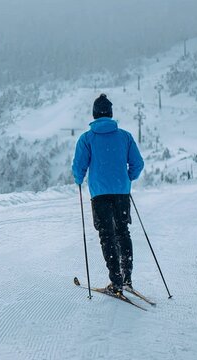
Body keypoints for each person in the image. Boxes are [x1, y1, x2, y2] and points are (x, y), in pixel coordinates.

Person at [72, 94, 144, 296]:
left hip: (100, 194)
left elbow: (79, 167)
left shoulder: (87, 138)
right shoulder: (125, 137)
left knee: (107, 235)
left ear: (95, 115)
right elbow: (137, 164)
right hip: (121, 192)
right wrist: (128, 178)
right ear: (110, 114)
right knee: (122, 232)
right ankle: (127, 277)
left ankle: (116, 282)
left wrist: (78, 179)